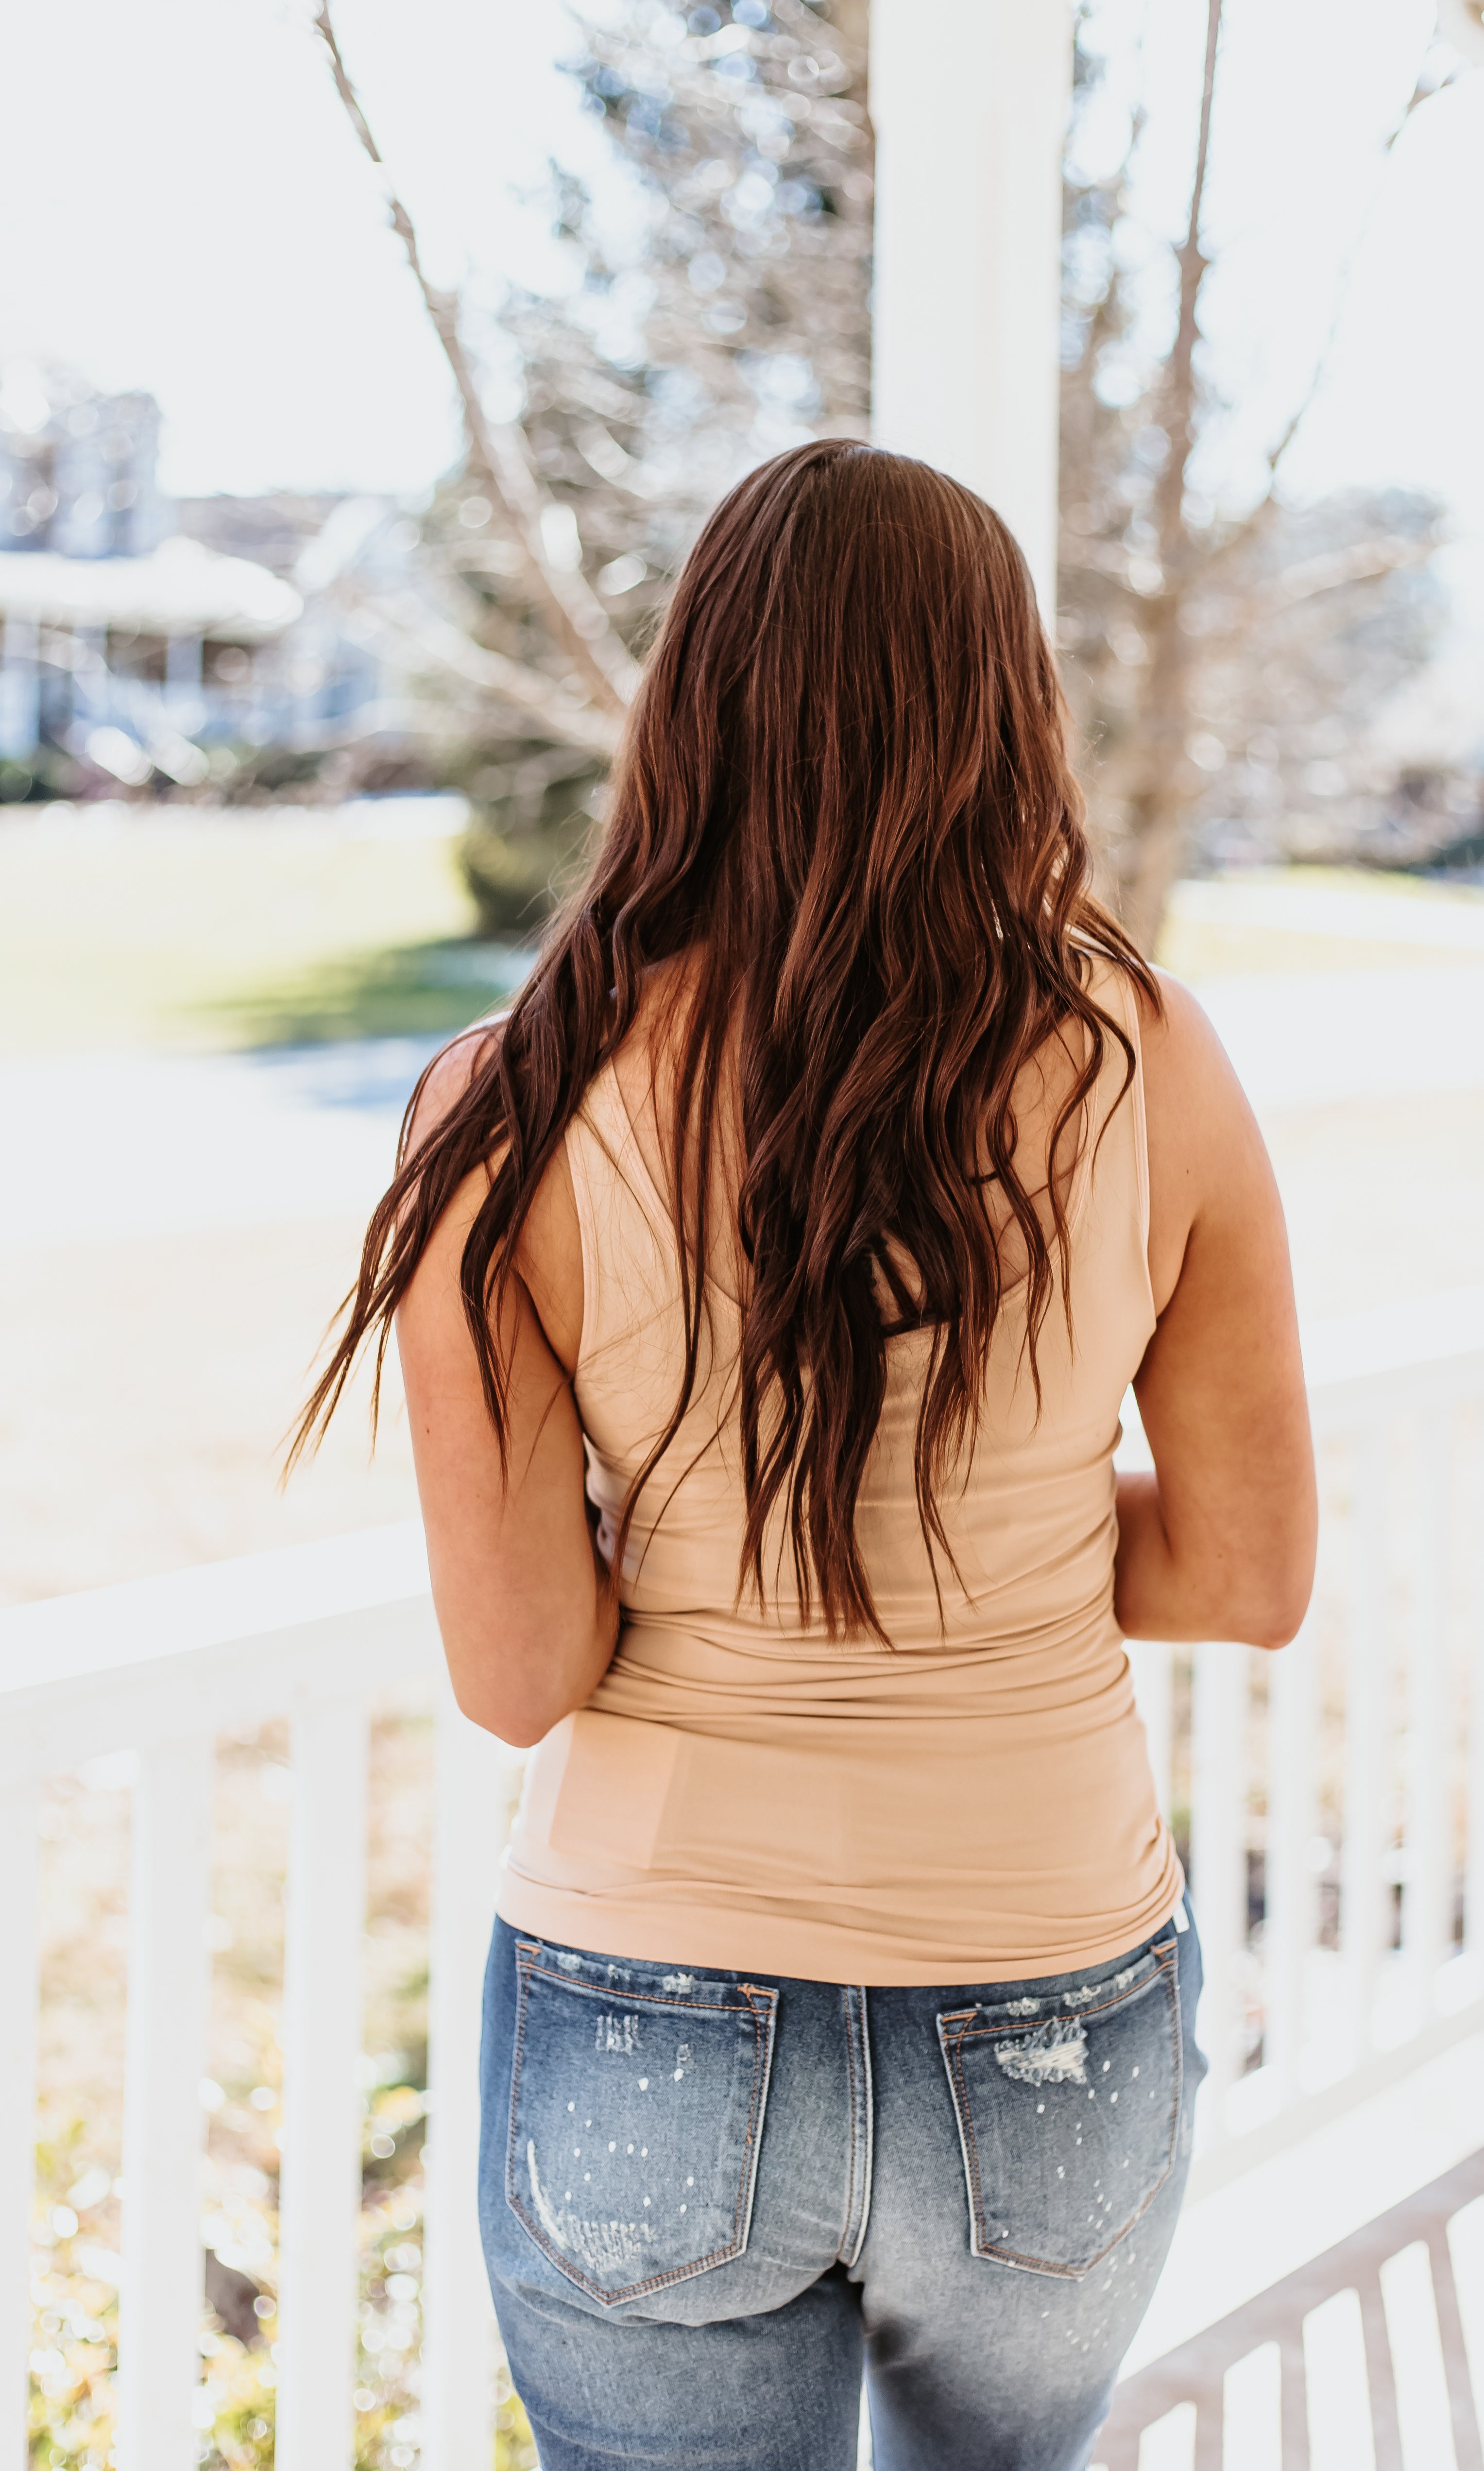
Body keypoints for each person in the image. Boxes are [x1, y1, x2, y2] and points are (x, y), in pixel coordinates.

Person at [298, 440, 1316, 2471]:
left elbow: (522, 1676)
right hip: (1044, 2001)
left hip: (651, 1996)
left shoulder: (510, 1103)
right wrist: (991, 1528)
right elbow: (1245, 1572)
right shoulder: (1154, 1061)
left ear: (694, 701)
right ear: (1003, 707)